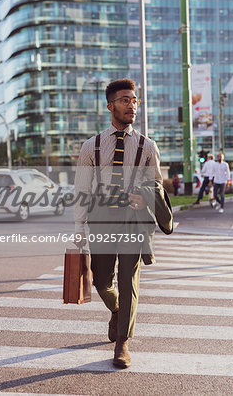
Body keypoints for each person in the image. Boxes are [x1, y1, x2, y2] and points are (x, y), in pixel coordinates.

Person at [74, 78, 170, 369]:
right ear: (110, 105)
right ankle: (116, 309)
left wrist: (145, 197)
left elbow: (157, 184)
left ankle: (122, 343)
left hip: (132, 223)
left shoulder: (147, 146)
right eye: (125, 100)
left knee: (128, 282)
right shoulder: (91, 146)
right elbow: (82, 190)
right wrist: (79, 228)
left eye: (135, 100)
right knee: (102, 281)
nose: (132, 105)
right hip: (101, 220)